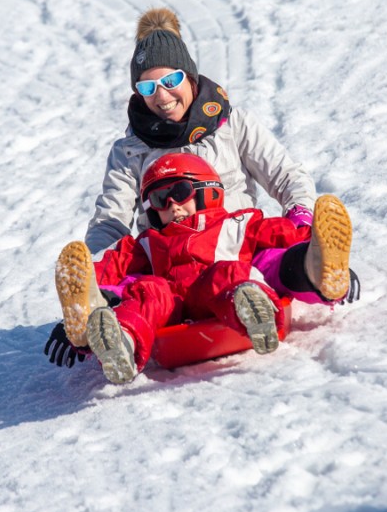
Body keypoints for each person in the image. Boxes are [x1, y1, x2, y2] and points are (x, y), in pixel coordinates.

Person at [84, 6, 353, 305]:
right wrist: (93, 281)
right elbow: (111, 221)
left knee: (277, 263)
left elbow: (285, 176)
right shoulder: (130, 150)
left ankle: (320, 273)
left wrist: (301, 220)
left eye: (171, 81)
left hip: (238, 246)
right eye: (147, 87)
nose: (161, 96)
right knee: (139, 293)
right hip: (168, 263)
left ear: (189, 76)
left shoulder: (232, 124)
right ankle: (97, 318)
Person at [50, 153, 353, 384]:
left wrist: (318, 254)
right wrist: (85, 310)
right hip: (174, 312)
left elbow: (287, 234)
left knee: (230, 273)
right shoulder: (146, 243)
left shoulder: (238, 223)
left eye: (179, 191)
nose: (171, 205)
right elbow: (105, 272)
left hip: (225, 295)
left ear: (206, 190)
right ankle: (121, 342)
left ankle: (296, 286)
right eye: (158, 198)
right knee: (149, 291)